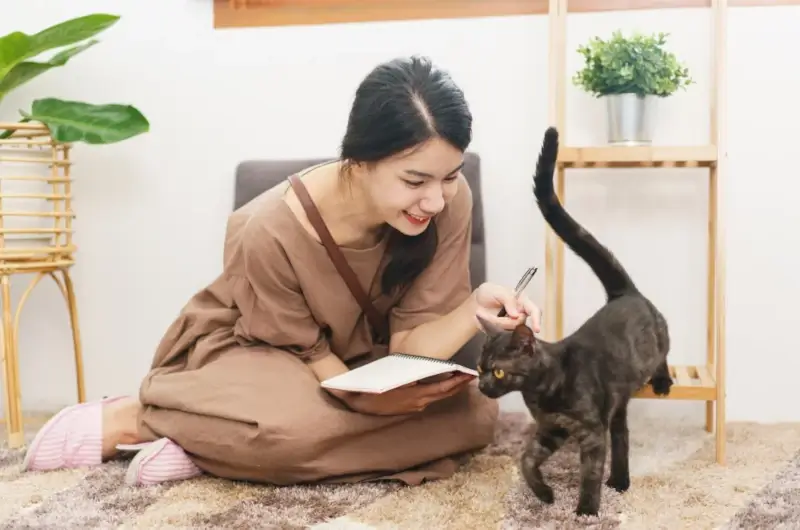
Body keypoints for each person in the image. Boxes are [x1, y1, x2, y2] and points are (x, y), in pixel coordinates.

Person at [21, 55, 541, 487]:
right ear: (359, 161)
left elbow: (408, 345)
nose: (435, 197)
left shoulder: (450, 201)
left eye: (449, 176)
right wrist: (370, 406)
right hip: (259, 352)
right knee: (290, 433)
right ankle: (140, 415)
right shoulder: (266, 228)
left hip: (366, 362)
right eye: (414, 180)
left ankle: (212, 446)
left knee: (475, 417)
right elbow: (313, 359)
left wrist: (473, 312)